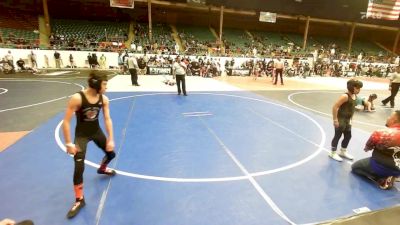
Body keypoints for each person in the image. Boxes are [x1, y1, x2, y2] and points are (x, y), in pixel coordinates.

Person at [62, 72, 117, 218]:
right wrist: (68, 143)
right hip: (81, 136)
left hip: (96, 132)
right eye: (104, 84)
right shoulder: (77, 98)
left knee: (111, 154)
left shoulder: (104, 99)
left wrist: (111, 138)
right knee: (79, 167)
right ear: (96, 84)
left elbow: (107, 118)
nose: (106, 87)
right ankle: (79, 199)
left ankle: (102, 168)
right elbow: (66, 122)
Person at [351, 110, 400, 190]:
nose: (388, 118)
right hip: (398, 168)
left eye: (390, 116)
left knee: (355, 167)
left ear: (394, 120)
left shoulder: (381, 132)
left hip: (379, 166)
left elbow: (367, 148)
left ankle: (381, 179)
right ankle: (394, 175)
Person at [330, 79, 363, 161]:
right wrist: (335, 120)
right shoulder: (345, 96)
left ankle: (342, 151)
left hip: (348, 120)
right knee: (337, 136)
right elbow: (335, 107)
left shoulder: (355, 96)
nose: (359, 90)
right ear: (352, 87)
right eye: (358, 88)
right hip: (341, 119)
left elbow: (350, 108)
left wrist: (352, 118)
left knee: (348, 136)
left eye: (360, 88)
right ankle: (332, 153)